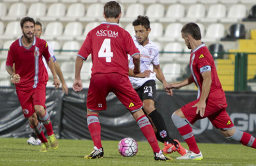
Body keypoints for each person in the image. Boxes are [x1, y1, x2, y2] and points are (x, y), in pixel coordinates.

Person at [166, 22, 256, 162]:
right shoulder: (196, 53)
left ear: (189, 37)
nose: (184, 42)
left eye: (184, 38)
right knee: (230, 132)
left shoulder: (202, 54)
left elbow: (207, 78)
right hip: (216, 99)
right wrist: (178, 85)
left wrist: (202, 101)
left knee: (178, 117)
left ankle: (195, 152)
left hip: (211, 99)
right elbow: (196, 76)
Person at [73, 1, 169, 161]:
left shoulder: (93, 32)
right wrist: (137, 70)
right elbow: (136, 56)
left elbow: (80, 57)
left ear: (104, 14)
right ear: (119, 15)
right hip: (119, 77)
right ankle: (158, 153)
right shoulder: (124, 34)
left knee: (92, 111)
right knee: (138, 112)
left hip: (99, 77)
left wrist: (77, 78)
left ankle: (98, 148)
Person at [129, 15, 186, 156]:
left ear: (149, 30)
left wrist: (165, 83)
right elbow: (122, 67)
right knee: (149, 125)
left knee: (149, 106)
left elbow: (156, 68)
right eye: (136, 31)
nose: (138, 35)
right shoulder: (129, 44)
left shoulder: (153, 48)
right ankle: (173, 143)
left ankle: (167, 142)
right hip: (131, 85)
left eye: (141, 31)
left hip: (147, 81)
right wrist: (136, 75)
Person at [6, 17, 60, 152]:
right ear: (22, 29)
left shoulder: (42, 44)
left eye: (32, 27)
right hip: (22, 87)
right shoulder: (14, 46)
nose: (30, 30)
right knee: (32, 120)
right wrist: (13, 74)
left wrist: (55, 76)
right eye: (27, 27)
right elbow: (8, 65)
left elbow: (49, 59)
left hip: (38, 82)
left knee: (39, 108)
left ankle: (51, 134)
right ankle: (43, 141)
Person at [27, 21, 68, 146]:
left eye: (39, 30)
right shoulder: (24, 45)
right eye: (35, 29)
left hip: (40, 81)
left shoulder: (45, 45)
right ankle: (38, 135)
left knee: (38, 109)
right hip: (27, 82)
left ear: (41, 31)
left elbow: (54, 63)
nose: (36, 32)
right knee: (32, 113)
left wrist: (62, 81)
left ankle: (39, 136)